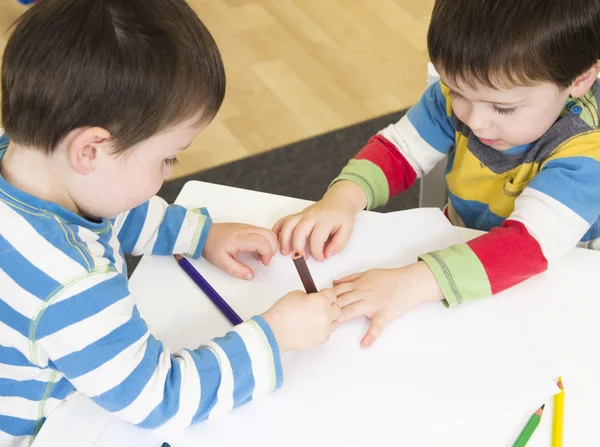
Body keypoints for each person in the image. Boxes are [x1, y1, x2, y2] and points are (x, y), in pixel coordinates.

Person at [0, 1, 339, 446]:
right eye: (166, 158)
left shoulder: (27, 159)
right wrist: (275, 336)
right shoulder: (72, 284)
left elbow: (106, 208)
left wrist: (199, 234)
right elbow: (161, 399)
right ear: (90, 151)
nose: (170, 172)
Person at [275, 0, 600, 348]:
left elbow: (527, 248)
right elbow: (399, 151)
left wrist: (411, 282)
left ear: (580, 80)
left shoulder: (585, 155)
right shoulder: (475, 90)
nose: (473, 120)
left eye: (503, 108)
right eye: (457, 91)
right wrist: (342, 198)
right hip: (454, 255)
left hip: (557, 282)